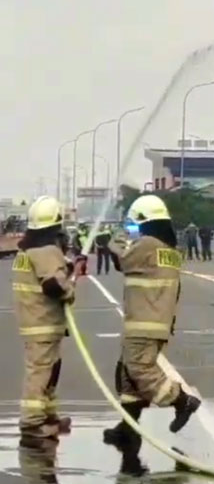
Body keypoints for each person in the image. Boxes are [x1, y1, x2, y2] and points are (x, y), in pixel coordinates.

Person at [102, 195, 201, 461]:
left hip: (144, 322)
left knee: (139, 370)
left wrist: (119, 234)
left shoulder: (145, 245)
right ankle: (128, 428)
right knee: (127, 376)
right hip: (154, 322)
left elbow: (119, 256)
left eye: (136, 223)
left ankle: (181, 400)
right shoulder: (167, 250)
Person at [13, 196, 83, 448]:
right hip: (42, 320)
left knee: (50, 370)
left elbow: (50, 273)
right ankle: (32, 423)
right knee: (40, 371)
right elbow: (53, 284)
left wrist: (69, 267)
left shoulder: (28, 250)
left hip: (35, 319)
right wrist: (70, 291)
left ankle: (48, 416)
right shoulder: (47, 251)